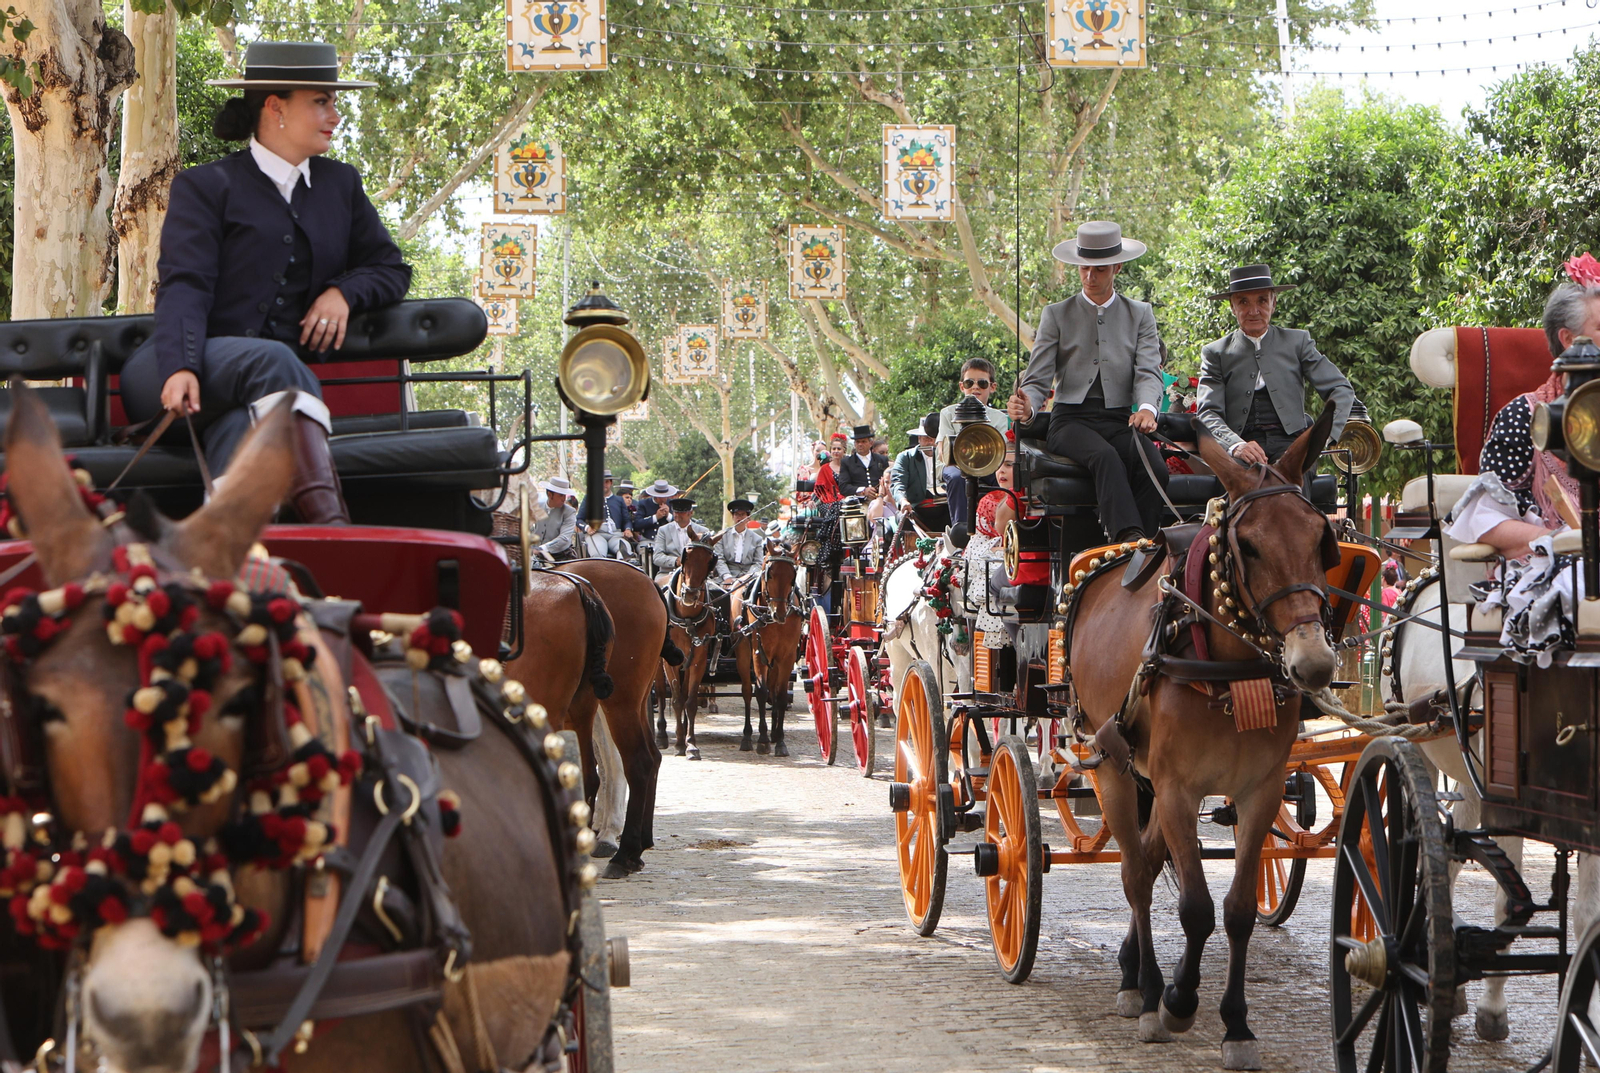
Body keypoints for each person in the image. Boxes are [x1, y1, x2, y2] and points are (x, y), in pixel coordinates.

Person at [119, 41, 409, 525]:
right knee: (273, 359)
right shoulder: (206, 186)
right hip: (175, 375)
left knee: (242, 424)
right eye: (321, 101)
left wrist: (343, 292)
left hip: (255, 400)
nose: (335, 115)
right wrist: (180, 366)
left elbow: (390, 267)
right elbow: (184, 285)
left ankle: (232, 552)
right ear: (275, 107)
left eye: (333, 102)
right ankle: (333, 530)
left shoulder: (341, 185)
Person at [1008, 220, 1168, 543]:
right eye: (1084, 269)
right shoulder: (1056, 314)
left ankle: (1150, 549)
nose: (1089, 277)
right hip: (1070, 422)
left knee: (1155, 467)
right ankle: (1127, 542)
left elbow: (1149, 370)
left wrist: (1148, 408)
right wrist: (1027, 407)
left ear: (1117, 267)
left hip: (1120, 420)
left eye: (1099, 270)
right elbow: (1037, 378)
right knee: (1105, 457)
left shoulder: (1140, 314)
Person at [1195, 264, 1355, 466]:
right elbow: (1208, 413)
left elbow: (1340, 388)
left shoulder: (1298, 342)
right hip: (1242, 446)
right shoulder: (1215, 352)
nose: (1253, 311)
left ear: (1273, 303)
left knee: (1293, 483)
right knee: (1238, 482)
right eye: (1243, 302)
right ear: (1232, 307)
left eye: (1262, 300)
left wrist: (1323, 437)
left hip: (1293, 444)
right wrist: (1235, 445)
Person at [938, 357, 1011, 525]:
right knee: (957, 478)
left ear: (992, 387)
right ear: (962, 386)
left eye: (982, 383)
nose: (975, 387)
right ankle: (961, 529)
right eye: (970, 382)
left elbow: (1003, 451)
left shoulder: (999, 418)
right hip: (954, 465)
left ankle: (1001, 524)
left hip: (989, 465)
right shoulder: (947, 413)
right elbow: (944, 451)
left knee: (1005, 476)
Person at [891, 413, 949, 532]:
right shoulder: (905, 457)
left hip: (945, 507)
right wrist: (903, 500)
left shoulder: (949, 456)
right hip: (916, 508)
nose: (930, 442)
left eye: (933, 438)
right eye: (926, 438)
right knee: (905, 518)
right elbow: (897, 483)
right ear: (919, 439)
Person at [654, 497, 711, 584]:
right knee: (658, 589)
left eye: (681, 512)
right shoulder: (663, 530)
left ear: (690, 513)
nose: (677, 515)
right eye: (675, 512)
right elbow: (657, 557)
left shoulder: (703, 531)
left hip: (696, 574)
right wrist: (676, 561)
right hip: (668, 573)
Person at [578, 470, 630, 558]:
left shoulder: (619, 500)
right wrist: (587, 528)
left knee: (625, 553)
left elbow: (626, 520)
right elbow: (579, 519)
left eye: (606, 482)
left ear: (611, 483)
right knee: (598, 555)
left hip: (615, 535)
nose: (603, 484)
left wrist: (628, 529)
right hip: (597, 534)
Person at [715, 499, 765, 587]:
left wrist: (748, 577)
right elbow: (719, 558)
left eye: (742, 515)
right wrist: (727, 576)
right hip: (727, 578)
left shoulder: (757, 539)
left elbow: (758, 562)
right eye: (736, 514)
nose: (739, 517)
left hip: (749, 579)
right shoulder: (722, 536)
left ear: (748, 517)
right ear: (732, 516)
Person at [531, 476, 579, 562]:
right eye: (560, 495)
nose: (563, 499)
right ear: (550, 494)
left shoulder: (569, 512)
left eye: (564, 495)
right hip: (536, 557)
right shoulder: (536, 507)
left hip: (561, 557)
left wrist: (542, 548)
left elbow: (564, 538)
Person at [839, 424, 887, 497]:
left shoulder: (881, 459)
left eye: (863, 441)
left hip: (880, 500)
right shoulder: (847, 462)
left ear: (870, 443)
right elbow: (843, 487)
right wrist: (862, 490)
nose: (860, 444)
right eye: (858, 442)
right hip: (858, 503)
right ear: (854, 444)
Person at [631, 478, 677, 543]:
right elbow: (637, 525)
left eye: (666, 496)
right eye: (661, 497)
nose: (664, 499)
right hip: (648, 540)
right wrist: (655, 517)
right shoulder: (644, 503)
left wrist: (668, 515)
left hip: (668, 541)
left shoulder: (671, 504)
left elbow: (679, 524)